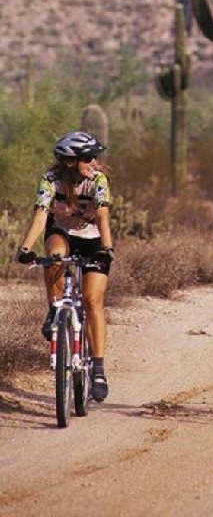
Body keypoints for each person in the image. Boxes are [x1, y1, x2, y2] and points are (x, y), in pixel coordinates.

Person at [17, 131, 114, 403]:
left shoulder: (98, 180)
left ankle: (98, 368)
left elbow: (103, 216)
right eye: (88, 158)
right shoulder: (50, 180)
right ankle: (55, 310)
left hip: (93, 239)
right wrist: (25, 249)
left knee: (92, 299)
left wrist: (107, 249)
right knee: (55, 257)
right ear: (71, 162)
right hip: (63, 234)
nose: (94, 161)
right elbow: (40, 216)